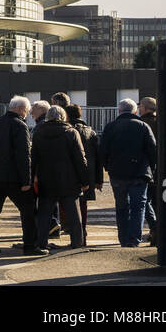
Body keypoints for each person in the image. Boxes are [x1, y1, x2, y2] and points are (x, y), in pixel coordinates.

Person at [0, 96, 43, 255]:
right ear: (21, 109)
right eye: (27, 111)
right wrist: (26, 180)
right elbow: (23, 155)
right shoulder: (20, 126)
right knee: (28, 211)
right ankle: (30, 246)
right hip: (15, 178)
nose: (27, 114)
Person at [99, 98, 157, 247]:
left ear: (119, 111)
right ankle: (133, 239)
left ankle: (123, 238)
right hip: (139, 173)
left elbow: (103, 151)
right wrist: (151, 169)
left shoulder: (110, 127)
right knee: (138, 207)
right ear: (135, 111)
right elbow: (152, 151)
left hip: (117, 173)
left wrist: (108, 167)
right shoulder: (143, 126)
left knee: (121, 207)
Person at [31, 106, 88, 249]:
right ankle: (77, 242)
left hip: (46, 179)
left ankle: (41, 242)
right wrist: (85, 180)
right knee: (74, 214)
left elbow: (34, 158)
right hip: (69, 180)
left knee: (44, 214)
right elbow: (80, 159)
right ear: (64, 117)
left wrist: (32, 178)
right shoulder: (71, 133)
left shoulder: (38, 133)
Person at [65, 103, 103, 241]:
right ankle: (83, 230)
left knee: (69, 204)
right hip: (88, 173)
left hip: (70, 173)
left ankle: (75, 233)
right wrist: (98, 180)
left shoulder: (67, 130)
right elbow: (98, 158)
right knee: (83, 204)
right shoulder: (90, 132)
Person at [140, 97, 159, 247]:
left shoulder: (142, 124)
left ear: (145, 108)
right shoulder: (161, 122)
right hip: (161, 168)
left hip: (145, 168)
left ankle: (154, 228)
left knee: (145, 200)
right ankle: (158, 230)